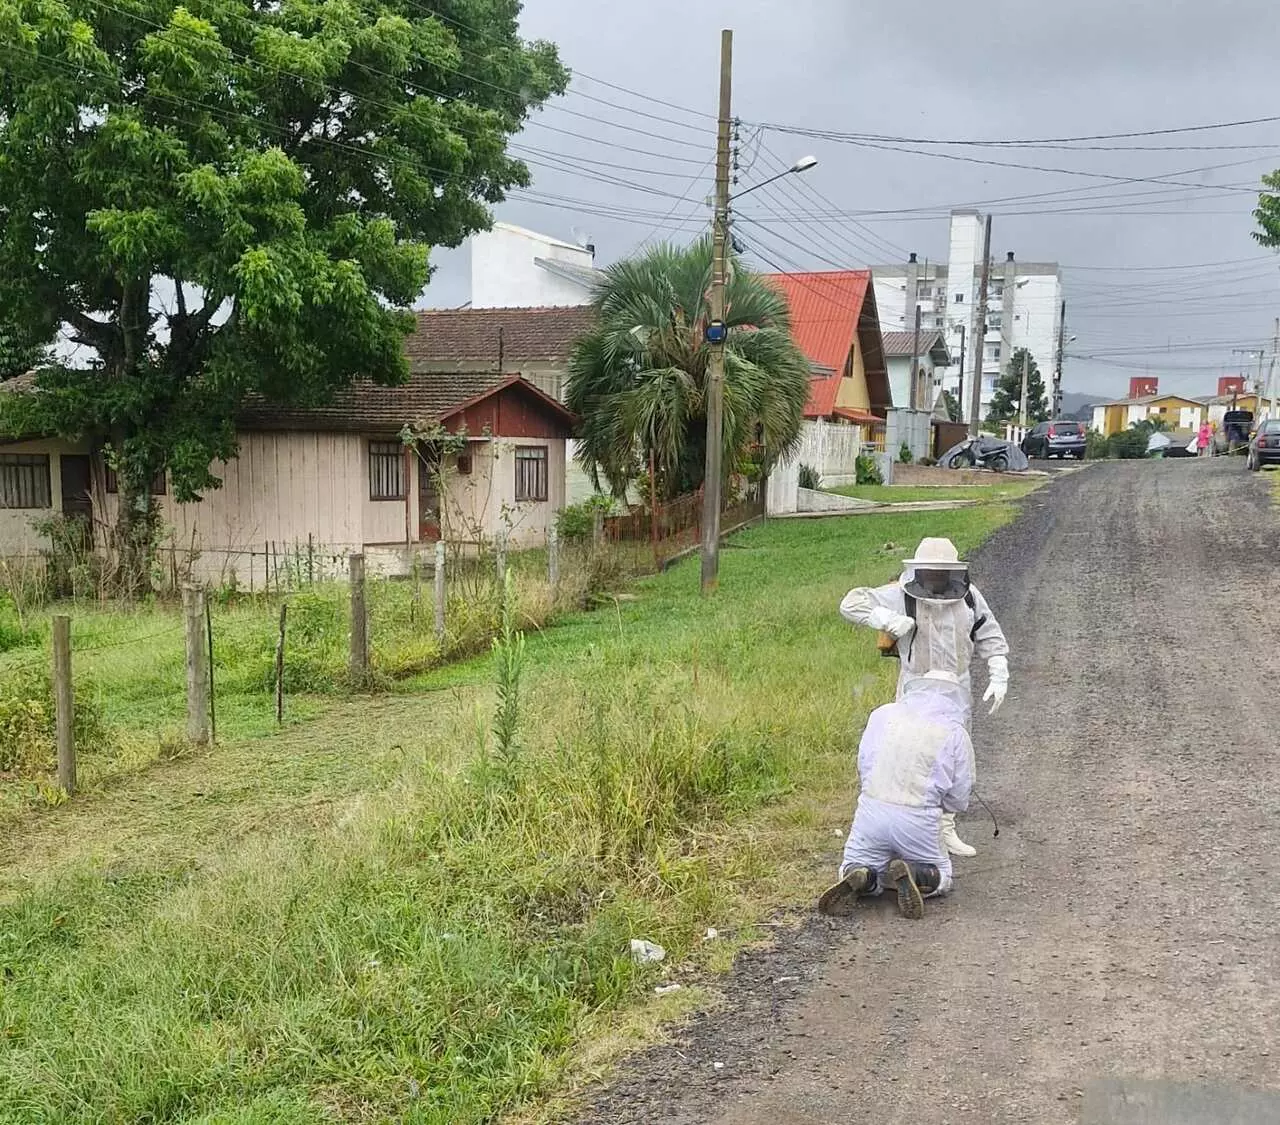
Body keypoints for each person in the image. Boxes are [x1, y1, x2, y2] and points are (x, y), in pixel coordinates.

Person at [838, 537, 1008, 858]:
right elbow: (851, 602)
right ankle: (906, 825)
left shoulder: (969, 596)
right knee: (909, 753)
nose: (935, 577)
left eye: (941, 572)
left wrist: (999, 669)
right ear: (918, 570)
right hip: (915, 687)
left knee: (951, 759)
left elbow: (988, 630)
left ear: (952, 572)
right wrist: (885, 619)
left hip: (956, 688)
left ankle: (944, 828)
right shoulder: (901, 596)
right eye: (930, 571)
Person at [818, 670, 974, 920]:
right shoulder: (954, 732)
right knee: (943, 875)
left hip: (871, 811)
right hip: (918, 819)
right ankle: (917, 873)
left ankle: (864, 876)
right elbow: (959, 797)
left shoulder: (882, 715)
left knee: (853, 864)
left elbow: (864, 764)